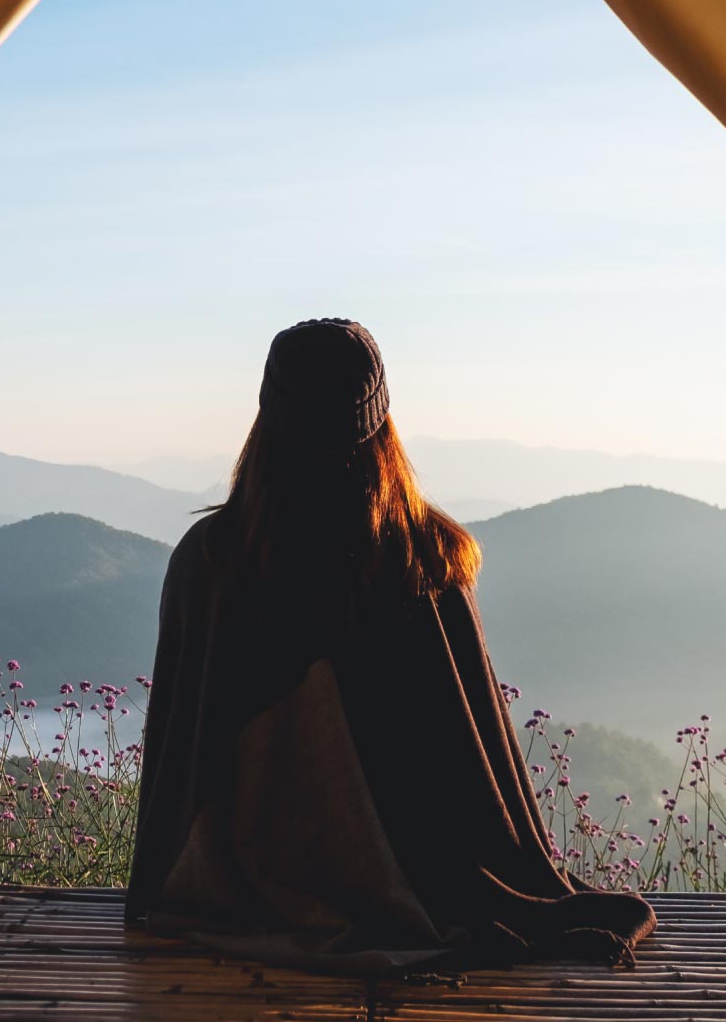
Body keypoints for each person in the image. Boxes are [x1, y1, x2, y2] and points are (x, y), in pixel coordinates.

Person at [126, 318, 656, 972]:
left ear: (266, 417)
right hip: (424, 875)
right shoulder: (430, 557)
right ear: (380, 421)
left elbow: (185, 762)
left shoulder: (211, 562)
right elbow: (463, 764)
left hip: (250, 871)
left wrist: (161, 877)